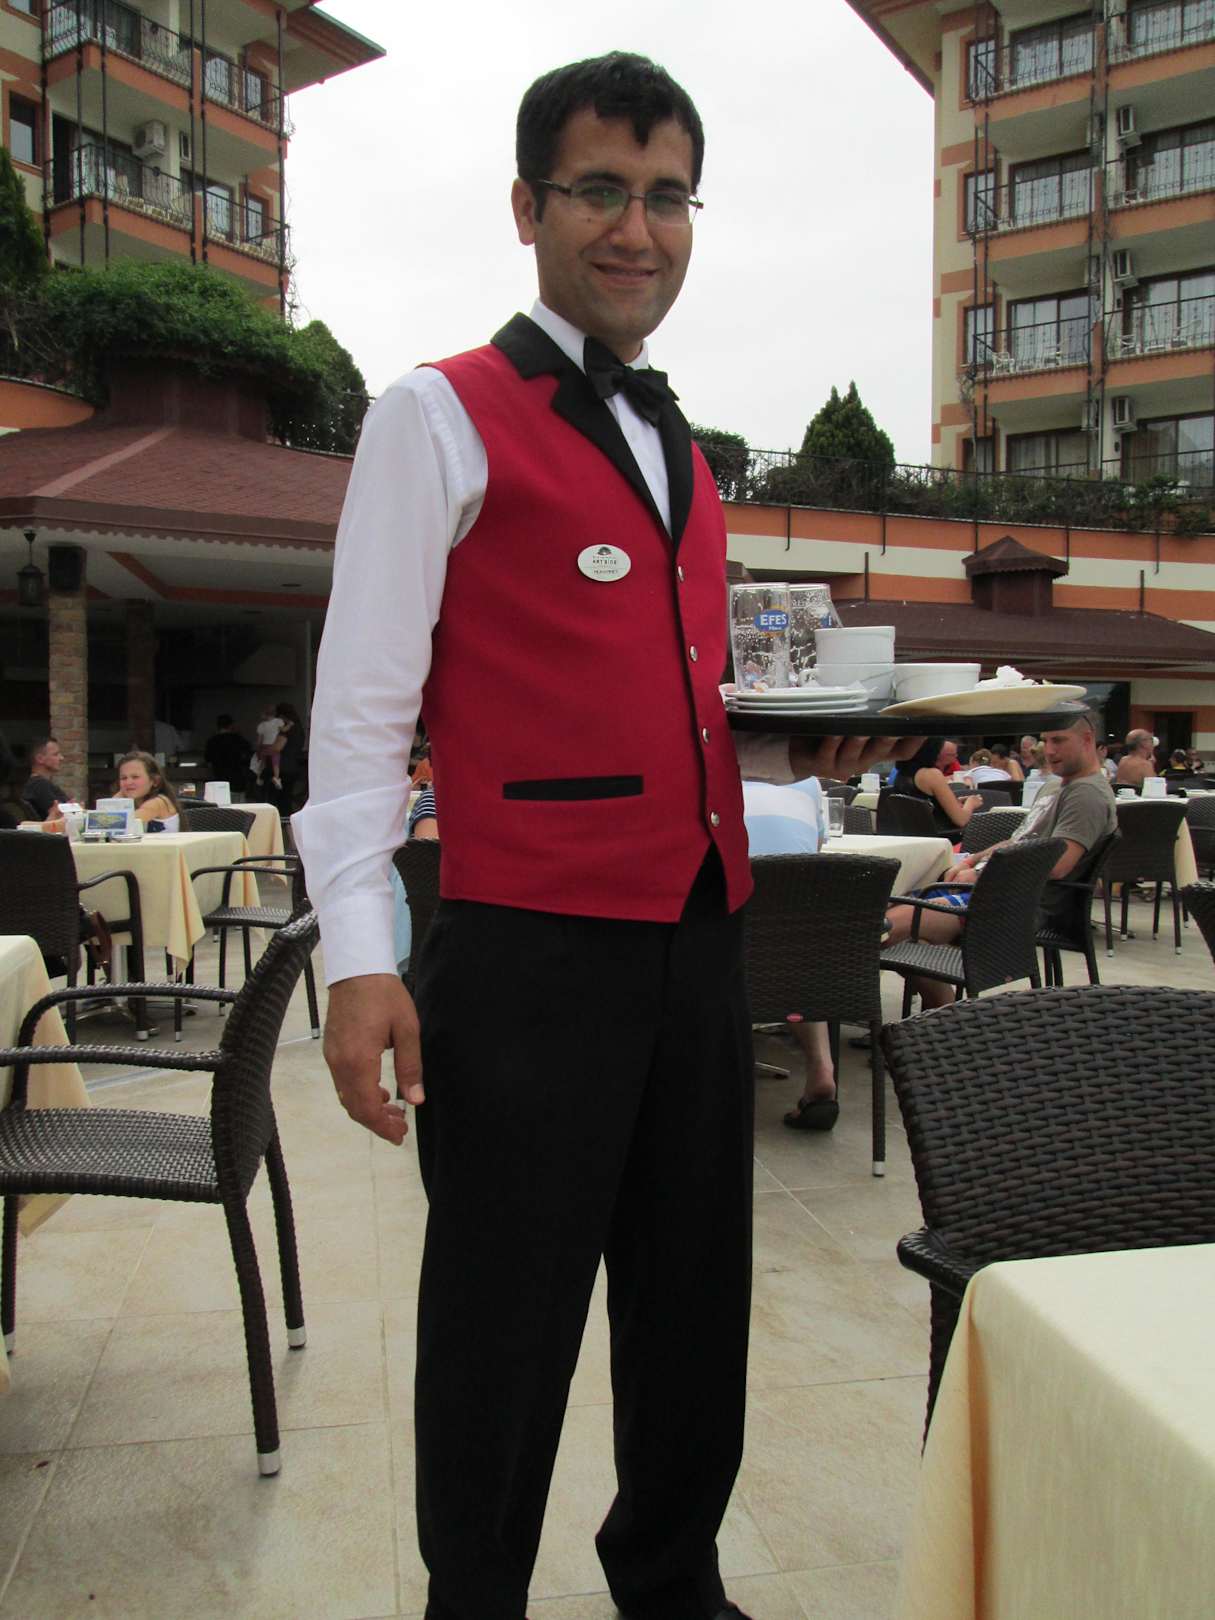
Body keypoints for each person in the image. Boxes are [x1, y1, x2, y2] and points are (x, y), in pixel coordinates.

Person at [292, 51, 919, 1620]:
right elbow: (359, 717)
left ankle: (669, 1579)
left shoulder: (683, 453)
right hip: (527, 947)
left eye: (666, 196)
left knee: (691, 1300)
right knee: (501, 1322)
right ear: (527, 207)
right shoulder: (434, 415)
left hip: (699, 932)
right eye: (599, 191)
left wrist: (794, 746)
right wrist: (358, 960)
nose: (636, 228)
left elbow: (674, 696)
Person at [884, 710, 1116, 1008]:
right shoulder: (1057, 786)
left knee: (883, 926)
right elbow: (1020, 840)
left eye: (1059, 740)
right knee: (881, 917)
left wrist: (981, 875)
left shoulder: (1087, 795)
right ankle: (944, 1014)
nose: (1049, 750)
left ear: (1087, 740)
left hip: (1012, 905)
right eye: (1045, 741)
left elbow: (1058, 865)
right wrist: (971, 861)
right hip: (993, 893)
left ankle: (941, 1014)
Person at [887, 737, 982, 837]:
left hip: (914, 836)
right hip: (944, 837)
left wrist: (955, 802)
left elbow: (922, 805)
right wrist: (971, 802)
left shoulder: (902, 774)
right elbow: (961, 820)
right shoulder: (932, 775)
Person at [114, 751, 180, 831]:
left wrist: (118, 798)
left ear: (155, 781)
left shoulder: (158, 802)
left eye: (135, 777)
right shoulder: (133, 803)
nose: (128, 782)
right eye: (123, 778)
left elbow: (116, 823)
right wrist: (122, 793)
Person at [267, 702, 303, 813]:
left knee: (277, 801)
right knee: (286, 798)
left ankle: (280, 822)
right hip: (293, 766)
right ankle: (288, 823)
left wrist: (265, 749)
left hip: (281, 768)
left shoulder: (286, 730)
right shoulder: (299, 729)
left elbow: (277, 748)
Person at [204, 714, 253, 796]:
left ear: (218, 726)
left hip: (219, 780)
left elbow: (208, 762)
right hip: (237, 779)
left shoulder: (212, 741)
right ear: (231, 725)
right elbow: (248, 754)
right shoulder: (239, 739)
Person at [22, 736, 68, 821]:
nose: (61, 758)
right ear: (40, 759)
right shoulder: (39, 785)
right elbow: (60, 816)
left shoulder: (42, 784)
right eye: (55, 754)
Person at [251, 706, 285, 792]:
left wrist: (258, 749)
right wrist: (290, 725)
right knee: (275, 764)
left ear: (265, 714)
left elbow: (259, 740)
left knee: (262, 763)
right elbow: (283, 730)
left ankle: (258, 777)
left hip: (264, 746)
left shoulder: (261, 725)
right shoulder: (279, 721)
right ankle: (276, 778)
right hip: (274, 745)